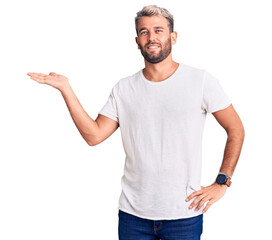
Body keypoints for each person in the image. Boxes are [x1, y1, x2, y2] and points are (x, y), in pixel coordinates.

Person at [27, 5, 245, 240]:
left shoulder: (200, 81)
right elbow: (94, 136)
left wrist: (222, 182)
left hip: (184, 213)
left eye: (158, 30)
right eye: (144, 32)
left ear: (173, 36)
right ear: (137, 41)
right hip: (133, 215)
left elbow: (236, 129)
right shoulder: (124, 88)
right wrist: (66, 90)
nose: (151, 37)